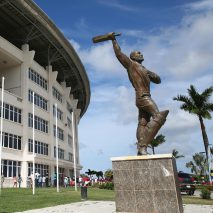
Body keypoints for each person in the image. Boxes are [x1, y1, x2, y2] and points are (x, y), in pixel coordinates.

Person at [107, 32, 169, 155]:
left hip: (144, 97)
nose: (141, 54)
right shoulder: (131, 65)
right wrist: (113, 40)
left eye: (140, 52)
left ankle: (141, 148)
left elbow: (158, 80)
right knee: (159, 116)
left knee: (143, 122)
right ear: (133, 57)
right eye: (138, 53)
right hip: (142, 97)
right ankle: (142, 146)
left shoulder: (144, 69)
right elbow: (119, 54)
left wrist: (151, 74)